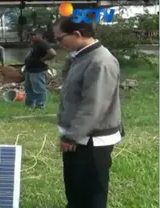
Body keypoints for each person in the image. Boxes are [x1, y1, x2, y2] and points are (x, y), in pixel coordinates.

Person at [53, 16, 122, 208]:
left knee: (91, 193)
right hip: (80, 137)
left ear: (77, 34)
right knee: (75, 188)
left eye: (60, 38)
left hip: (92, 140)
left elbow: (94, 105)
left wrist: (71, 136)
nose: (58, 43)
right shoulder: (81, 56)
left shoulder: (100, 62)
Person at [23, 31, 56, 109]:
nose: (31, 37)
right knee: (28, 88)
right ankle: (29, 105)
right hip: (29, 69)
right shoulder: (33, 44)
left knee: (39, 88)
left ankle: (40, 106)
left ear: (39, 35)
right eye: (30, 35)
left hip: (38, 70)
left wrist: (43, 59)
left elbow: (53, 53)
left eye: (34, 35)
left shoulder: (43, 43)